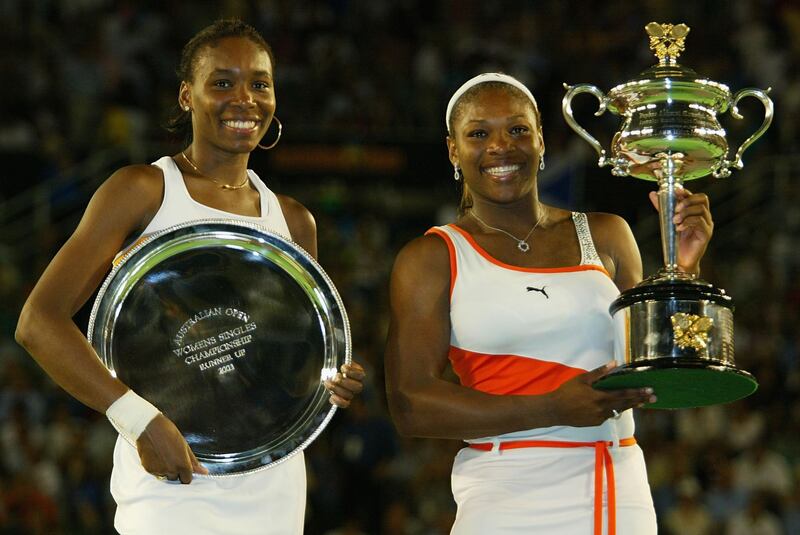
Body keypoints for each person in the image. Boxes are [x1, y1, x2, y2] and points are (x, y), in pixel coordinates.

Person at [15, 19, 365, 535]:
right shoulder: (140, 189)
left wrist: (327, 380)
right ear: (187, 96)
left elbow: (275, 366)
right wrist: (136, 420)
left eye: (260, 84)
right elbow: (37, 323)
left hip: (273, 483)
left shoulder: (293, 221)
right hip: (167, 482)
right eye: (222, 82)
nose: (244, 98)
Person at [384, 73, 714, 534]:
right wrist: (552, 409)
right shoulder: (433, 257)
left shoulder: (607, 234)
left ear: (541, 139)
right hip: (505, 493)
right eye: (479, 133)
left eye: (518, 129)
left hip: (619, 488)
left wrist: (683, 273)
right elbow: (410, 405)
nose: (501, 146)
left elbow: (653, 371)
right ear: (453, 151)